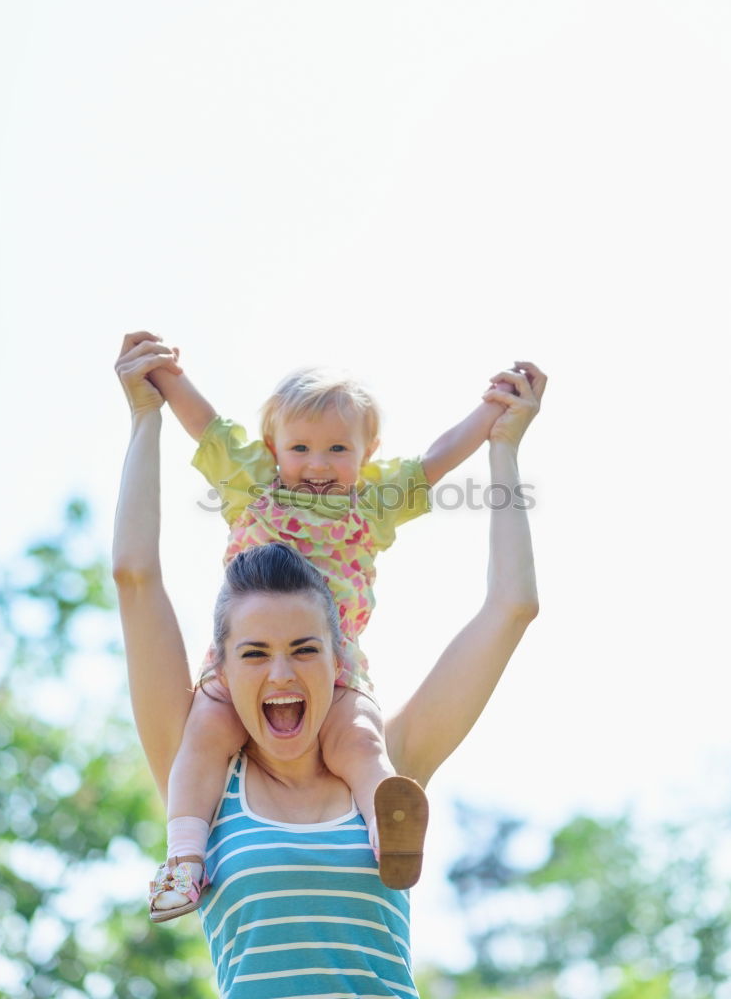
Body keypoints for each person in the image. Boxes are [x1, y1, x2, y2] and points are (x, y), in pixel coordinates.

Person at [113, 332, 544, 998]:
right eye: (255, 653)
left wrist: (502, 441)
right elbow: (135, 575)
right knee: (207, 729)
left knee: (366, 747)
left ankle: (384, 834)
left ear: (335, 651)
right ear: (225, 660)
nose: (281, 675)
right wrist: (149, 410)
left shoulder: (384, 758)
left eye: (304, 649)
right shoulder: (201, 773)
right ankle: (181, 861)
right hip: (211, 768)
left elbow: (512, 606)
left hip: (360, 726)